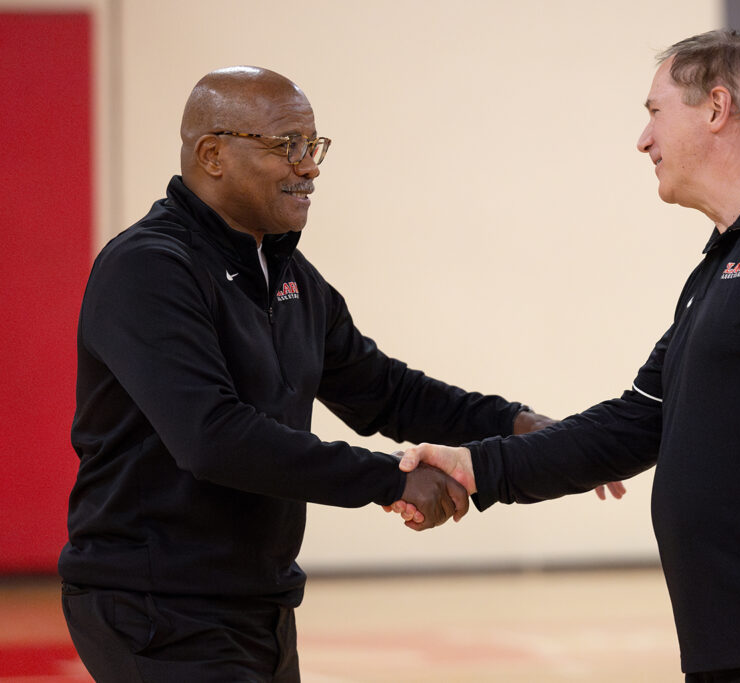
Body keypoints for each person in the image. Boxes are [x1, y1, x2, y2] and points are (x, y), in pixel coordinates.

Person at [390, 30, 740, 683]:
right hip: (738, 643)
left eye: (654, 111)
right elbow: (632, 422)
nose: (643, 140)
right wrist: (475, 465)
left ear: (716, 108)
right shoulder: (723, 261)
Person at [59, 65, 604, 682]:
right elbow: (212, 438)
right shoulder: (150, 269)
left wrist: (517, 424)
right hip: (153, 604)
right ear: (212, 154)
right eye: (286, 146)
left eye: (312, 146)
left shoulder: (288, 273)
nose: (310, 166)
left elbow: (383, 391)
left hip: (260, 602)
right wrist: (391, 481)